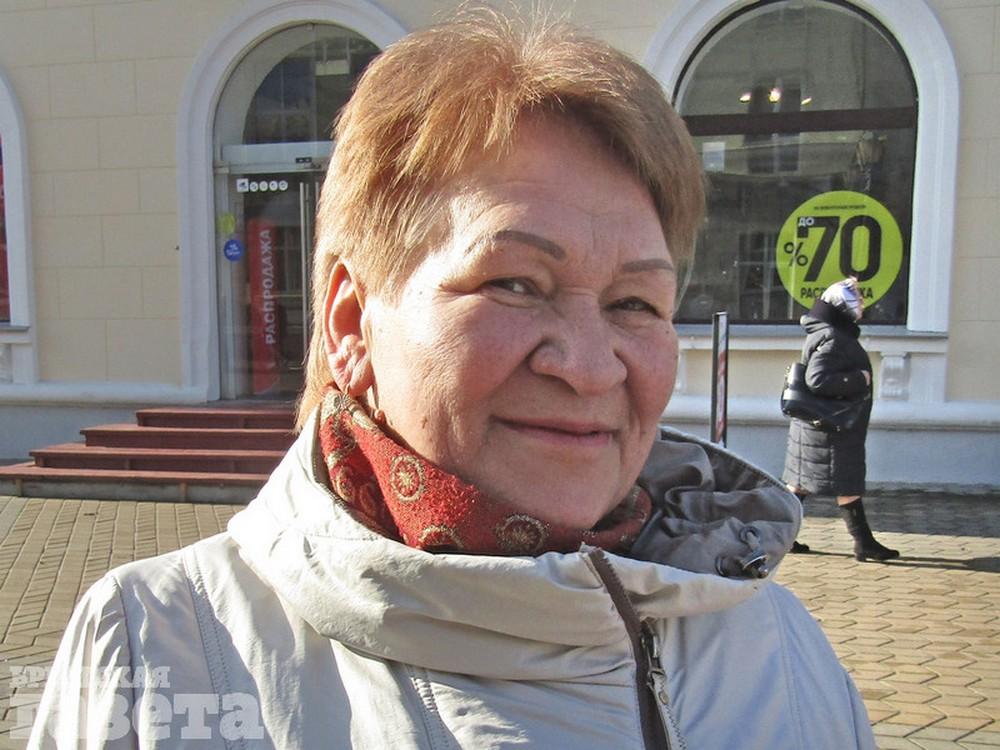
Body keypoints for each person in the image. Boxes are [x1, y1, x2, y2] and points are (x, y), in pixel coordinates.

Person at [29, 10, 875, 749]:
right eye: (514, 284)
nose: (588, 367)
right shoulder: (158, 649)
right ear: (352, 324)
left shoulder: (778, 644)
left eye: (634, 303)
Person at [784, 277, 900, 562]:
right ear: (843, 304)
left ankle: (780, 537)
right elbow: (818, 379)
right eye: (857, 298)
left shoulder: (828, 332)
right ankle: (864, 543)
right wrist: (859, 378)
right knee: (846, 484)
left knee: (800, 485)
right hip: (831, 428)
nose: (862, 302)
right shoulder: (834, 337)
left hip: (819, 428)